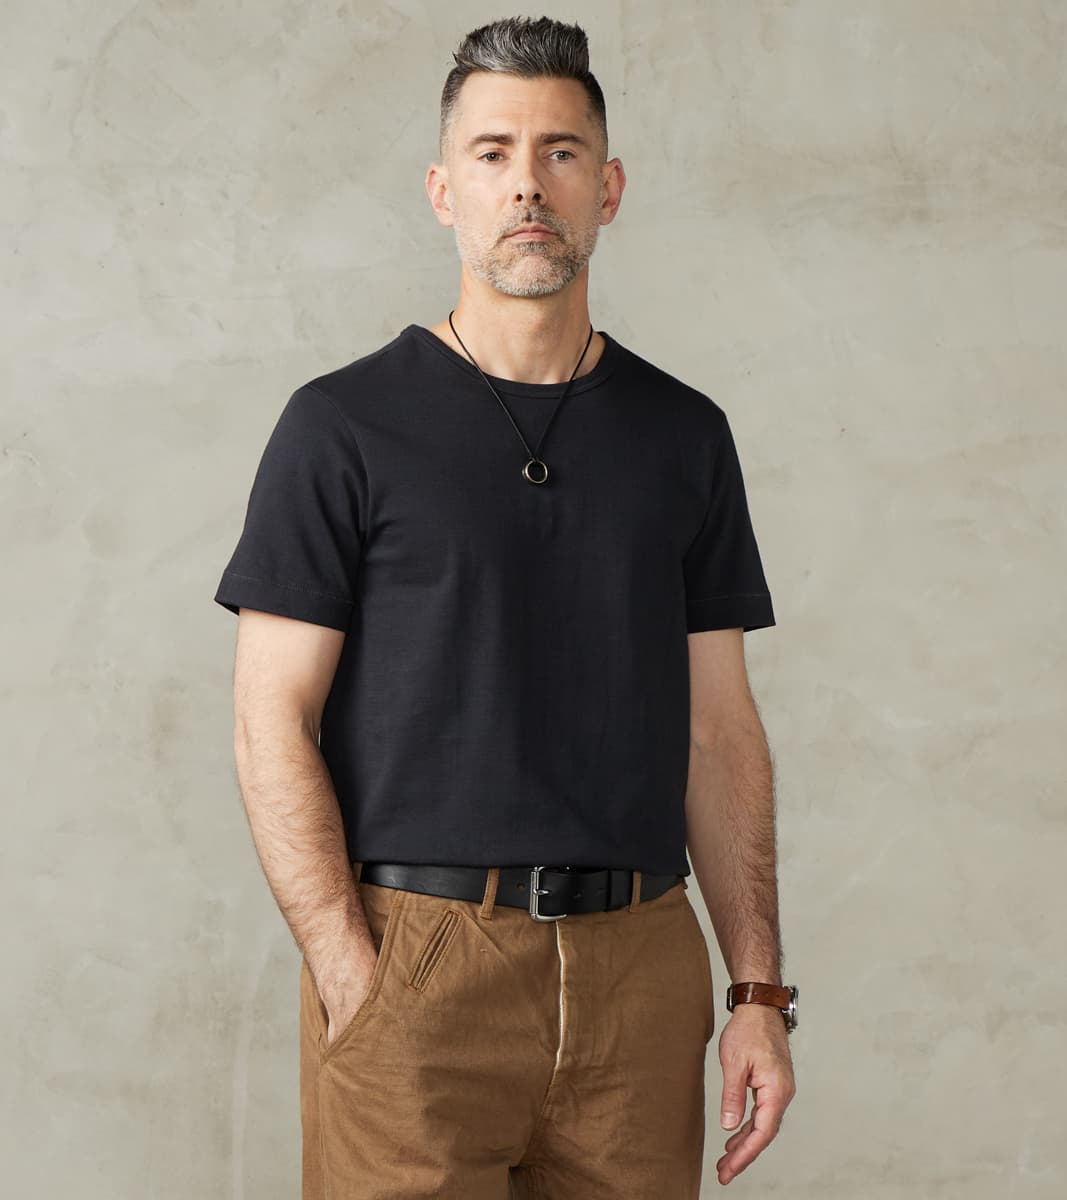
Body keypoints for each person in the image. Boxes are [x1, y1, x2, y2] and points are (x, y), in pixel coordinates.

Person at [213, 15, 796, 1198]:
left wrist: (755, 992)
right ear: (444, 190)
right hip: (417, 958)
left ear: (607, 189)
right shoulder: (341, 427)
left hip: (639, 967)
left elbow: (719, 731)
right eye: (492, 153)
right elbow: (270, 718)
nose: (526, 183)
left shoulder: (682, 435)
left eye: (558, 152)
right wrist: (346, 965)